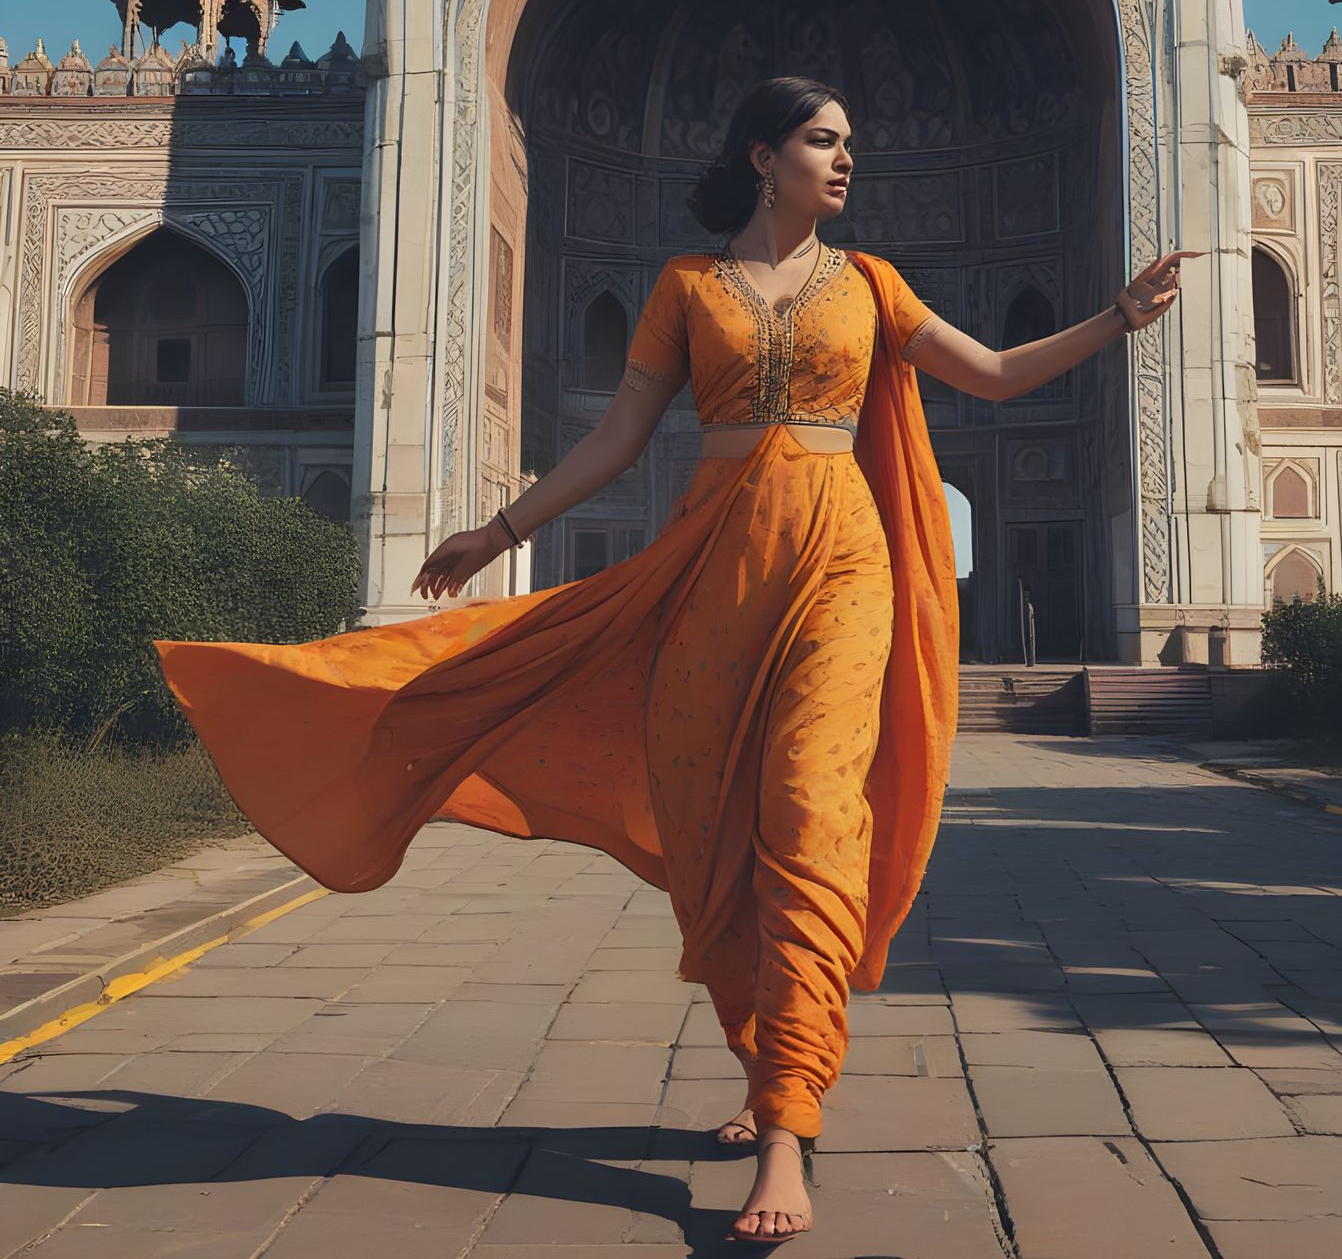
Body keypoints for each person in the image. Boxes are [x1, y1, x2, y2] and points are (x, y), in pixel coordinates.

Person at [156, 75, 1195, 1248]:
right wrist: (499, 530)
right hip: (715, 570)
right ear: (763, 156)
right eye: (822, 140)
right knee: (711, 846)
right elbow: (614, 438)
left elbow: (994, 372)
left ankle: (789, 1118)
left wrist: (1117, 317)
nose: (845, 159)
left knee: (808, 811)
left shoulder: (871, 283)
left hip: (841, 562)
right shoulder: (687, 287)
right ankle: (765, 1063)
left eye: (850, 143)